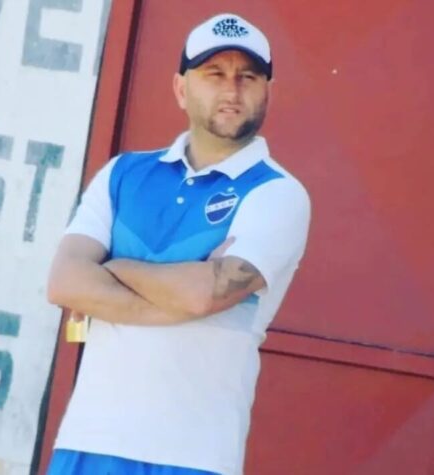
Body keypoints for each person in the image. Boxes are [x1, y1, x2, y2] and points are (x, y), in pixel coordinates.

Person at [45, 12, 311, 475]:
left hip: (193, 456)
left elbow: (204, 294)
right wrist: (177, 294)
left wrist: (114, 267)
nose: (232, 91)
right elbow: (64, 282)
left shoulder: (279, 193)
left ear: (268, 91)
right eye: (214, 74)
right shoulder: (122, 174)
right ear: (181, 89)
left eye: (248, 77)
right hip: (88, 442)